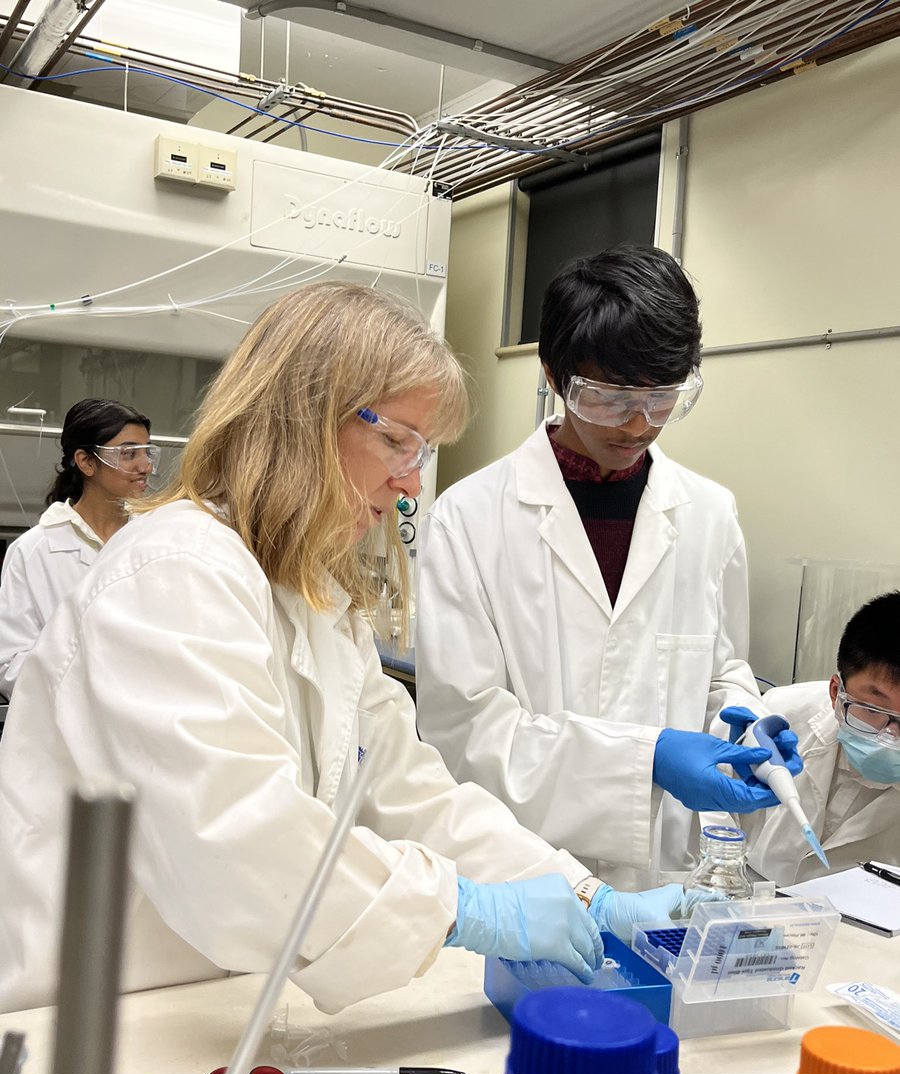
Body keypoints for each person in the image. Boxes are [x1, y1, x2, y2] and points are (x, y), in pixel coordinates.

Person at [0, 282, 701, 1016]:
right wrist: (461, 910)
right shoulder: (174, 570)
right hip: (97, 1022)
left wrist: (584, 894)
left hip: (221, 1007)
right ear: (299, 418)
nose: (409, 483)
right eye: (398, 441)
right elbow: (237, 839)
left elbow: (412, 794)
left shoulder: (318, 602)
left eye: (422, 451)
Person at [415, 245, 799, 890]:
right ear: (553, 375)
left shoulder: (709, 512)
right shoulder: (470, 517)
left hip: (664, 871)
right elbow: (465, 729)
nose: (639, 424)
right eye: (609, 398)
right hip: (520, 867)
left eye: (661, 397)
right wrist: (643, 760)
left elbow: (720, 669)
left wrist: (744, 727)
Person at [735, 592, 900, 884]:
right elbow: (713, 831)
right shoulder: (779, 715)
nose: (890, 736)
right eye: (873, 709)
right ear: (836, 692)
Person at [0, 397, 157, 697]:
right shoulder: (34, 551)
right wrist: (93, 691)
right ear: (86, 462)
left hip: (146, 721)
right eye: (128, 454)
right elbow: (10, 663)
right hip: (68, 727)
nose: (145, 466)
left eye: (147, 452)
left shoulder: (154, 539)